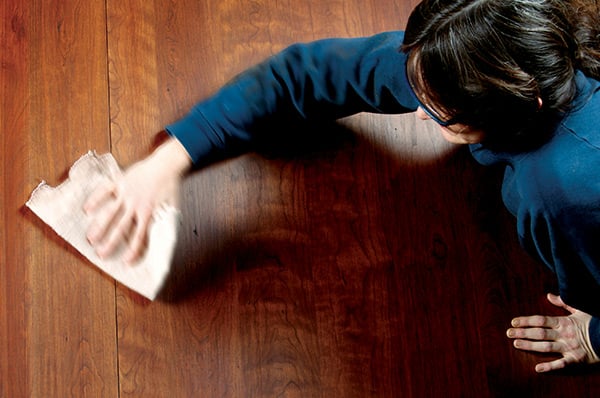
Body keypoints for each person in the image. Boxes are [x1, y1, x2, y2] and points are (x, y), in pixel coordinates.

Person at [83, 0, 600, 373]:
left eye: (438, 113)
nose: (418, 115)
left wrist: (594, 336)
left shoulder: (557, 194)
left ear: (514, 110)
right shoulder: (473, 55)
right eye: (417, 88)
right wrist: (171, 159)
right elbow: (299, 78)